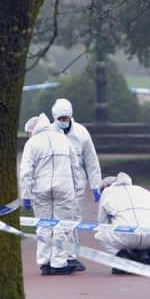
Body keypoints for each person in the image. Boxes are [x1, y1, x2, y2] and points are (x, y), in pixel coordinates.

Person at [20, 113, 83, 276]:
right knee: (62, 225)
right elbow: (76, 168)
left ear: (32, 130)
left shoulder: (32, 143)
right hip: (64, 187)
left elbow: (26, 171)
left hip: (41, 189)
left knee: (43, 225)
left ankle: (44, 262)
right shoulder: (64, 140)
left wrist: (26, 194)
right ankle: (59, 263)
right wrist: (77, 190)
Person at [50, 98, 102, 271]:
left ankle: (70, 255)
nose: (64, 122)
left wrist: (96, 185)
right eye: (60, 119)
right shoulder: (49, 132)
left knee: (73, 219)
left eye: (66, 118)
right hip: (57, 182)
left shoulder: (81, 133)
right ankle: (62, 255)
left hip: (77, 183)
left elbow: (91, 160)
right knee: (58, 221)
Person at [95, 172, 150, 272]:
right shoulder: (140, 189)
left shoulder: (107, 192)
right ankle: (143, 254)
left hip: (127, 238)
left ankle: (121, 258)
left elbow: (101, 223)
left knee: (100, 234)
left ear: (106, 186)